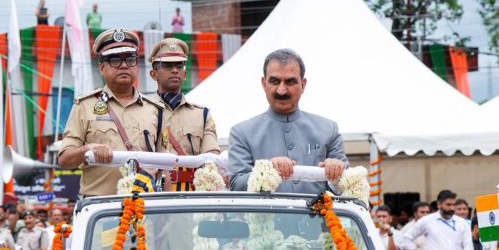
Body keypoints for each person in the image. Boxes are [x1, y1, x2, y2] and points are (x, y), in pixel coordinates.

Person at [58, 28, 164, 197]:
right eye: (115, 60)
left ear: (137, 65)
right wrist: (88, 149)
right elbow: (64, 159)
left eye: (130, 59)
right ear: (101, 68)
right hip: (101, 210)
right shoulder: (85, 106)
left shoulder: (155, 109)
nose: (123, 65)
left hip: (146, 209)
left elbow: (165, 164)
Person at [228, 49, 348, 193]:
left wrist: (336, 170)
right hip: (264, 216)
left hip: (320, 216)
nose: (281, 90)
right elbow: (236, 185)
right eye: (274, 81)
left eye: (290, 82)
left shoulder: (328, 130)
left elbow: (349, 187)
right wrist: (267, 169)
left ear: (303, 85)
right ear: (263, 83)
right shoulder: (242, 133)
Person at [149, 37, 220, 191]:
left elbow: (211, 157)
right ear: (153, 74)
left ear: (185, 73)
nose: (175, 70)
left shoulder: (202, 114)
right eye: (167, 66)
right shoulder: (144, 112)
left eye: (179, 65)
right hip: (153, 196)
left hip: (192, 196)